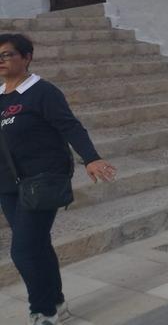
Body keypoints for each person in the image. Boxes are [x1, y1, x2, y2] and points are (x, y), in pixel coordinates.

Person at [0, 33, 116, 325]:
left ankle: (42, 310)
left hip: (42, 180)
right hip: (8, 184)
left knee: (23, 249)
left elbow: (70, 127)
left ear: (26, 57)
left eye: (6, 54)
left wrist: (91, 157)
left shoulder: (42, 92)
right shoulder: (1, 95)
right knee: (37, 244)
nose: (0, 61)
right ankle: (56, 302)